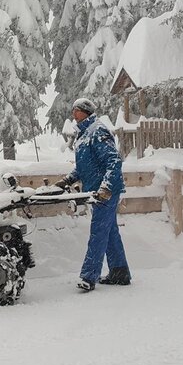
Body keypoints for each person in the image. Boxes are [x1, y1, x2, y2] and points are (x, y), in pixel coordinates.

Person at [54, 97, 131, 291]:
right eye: (73, 110)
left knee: (98, 231)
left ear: (86, 112)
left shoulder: (98, 131)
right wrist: (68, 180)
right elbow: (85, 166)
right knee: (109, 231)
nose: (73, 113)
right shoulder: (83, 134)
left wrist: (106, 187)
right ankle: (120, 272)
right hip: (95, 191)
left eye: (77, 110)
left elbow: (114, 161)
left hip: (106, 191)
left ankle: (89, 276)